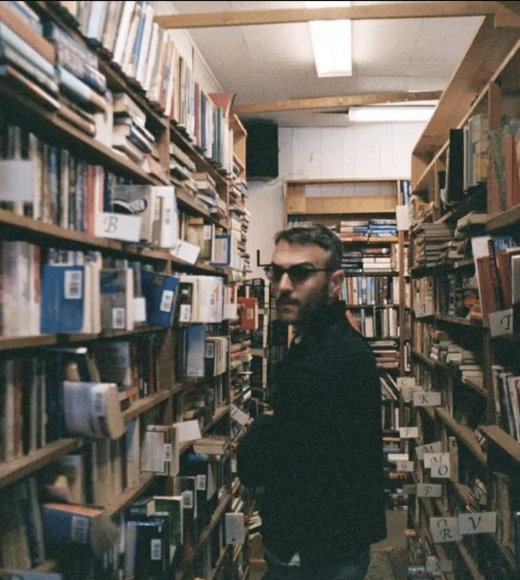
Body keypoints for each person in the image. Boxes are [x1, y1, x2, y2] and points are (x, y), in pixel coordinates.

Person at [237, 222, 387, 580]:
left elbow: (255, 465)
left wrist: (264, 425)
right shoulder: (321, 340)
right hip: (323, 544)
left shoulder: (328, 359)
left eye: (302, 273)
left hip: (315, 552)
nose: (284, 286)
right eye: (277, 273)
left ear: (335, 283)